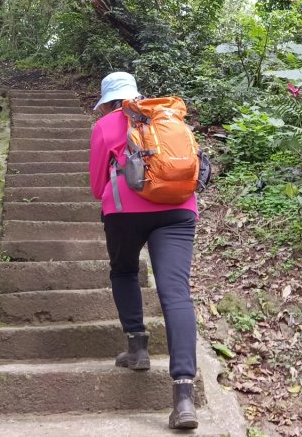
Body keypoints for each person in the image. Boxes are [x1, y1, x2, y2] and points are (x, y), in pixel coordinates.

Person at [88, 71, 199, 430]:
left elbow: (96, 186)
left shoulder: (105, 125)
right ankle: (184, 397)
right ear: (136, 95)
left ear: (107, 102)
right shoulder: (166, 116)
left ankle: (137, 348)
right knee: (176, 293)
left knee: (124, 271)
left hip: (125, 213)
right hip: (179, 209)